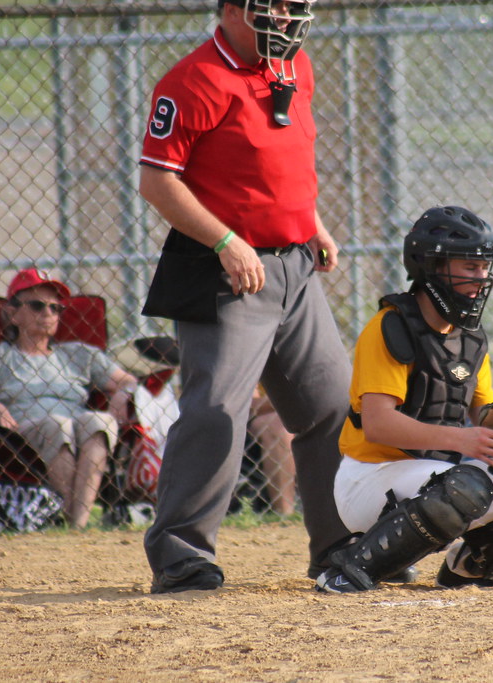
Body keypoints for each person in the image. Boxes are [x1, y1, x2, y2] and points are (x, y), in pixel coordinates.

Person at [137, 0, 353, 592]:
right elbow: (157, 181)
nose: (286, 18)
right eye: (272, 6)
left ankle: (341, 548)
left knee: (331, 405)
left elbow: (285, 163)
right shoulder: (194, 80)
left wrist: (314, 224)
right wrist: (227, 242)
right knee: (217, 412)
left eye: (293, 6)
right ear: (232, 8)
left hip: (295, 266)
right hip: (228, 273)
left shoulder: (295, 65)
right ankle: (182, 554)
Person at [315, 206, 493, 593]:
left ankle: (472, 566)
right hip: (369, 478)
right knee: (467, 485)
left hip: (432, 477)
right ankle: (352, 568)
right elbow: (378, 424)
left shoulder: (471, 340)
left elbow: (488, 416)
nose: (482, 279)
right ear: (432, 266)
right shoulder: (390, 327)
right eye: (470, 268)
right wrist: (463, 441)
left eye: (484, 268)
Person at [0, 268, 141, 529]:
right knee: (58, 425)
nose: (48, 314)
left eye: (55, 308)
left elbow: (129, 380)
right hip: (22, 433)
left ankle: (76, 524)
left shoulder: (78, 353)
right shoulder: (0, 355)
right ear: (13, 314)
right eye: (37, 306)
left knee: (100, 421)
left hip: (77, 426)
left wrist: (123, 394)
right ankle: (75, 523)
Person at [247, 385, 296, 515]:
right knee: (277, 426)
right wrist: (290, 400)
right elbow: (250, 405)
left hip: (298, 411)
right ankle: (284, 512)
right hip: (255, 420)